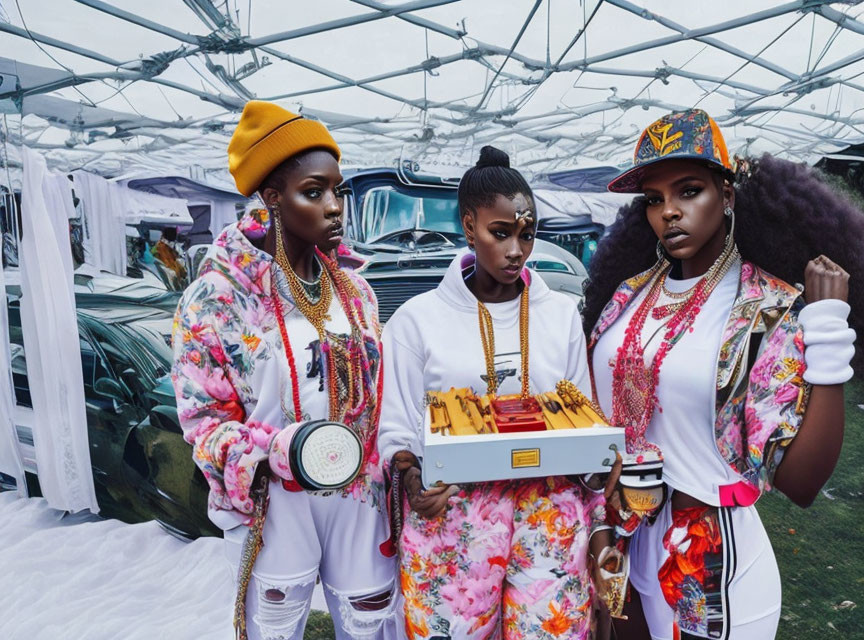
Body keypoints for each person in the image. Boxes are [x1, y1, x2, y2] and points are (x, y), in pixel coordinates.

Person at [584, 108, 861, 639]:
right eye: (654, 199)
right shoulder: (628, 294)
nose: (669, 212)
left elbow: (801, 483)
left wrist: (827, 332)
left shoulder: (767, 309)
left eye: (689, 191)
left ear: (727, 196)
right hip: (625, 540)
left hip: (712, 562)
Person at [171, 101, 395, 640]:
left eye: (338, 191)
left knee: (371, 623)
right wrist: (278, 452)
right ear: (271, 198)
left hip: (358, 496)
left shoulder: (357, 291)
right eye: (314, 192)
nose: (335, 207)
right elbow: (202, 423)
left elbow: (378, 393)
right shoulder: (216, 299)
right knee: (275, 628)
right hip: (273, 502)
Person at [378, 146, 610, 639]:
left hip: (549, 517)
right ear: (468, 225)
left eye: (527, 235)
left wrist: (598, 467)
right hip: (453, 519)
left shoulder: (562, 315)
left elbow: (583, 416)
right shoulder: (415, 321)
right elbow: (395, 427)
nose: (516, 250)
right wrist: (413, 481)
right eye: (499, 233)